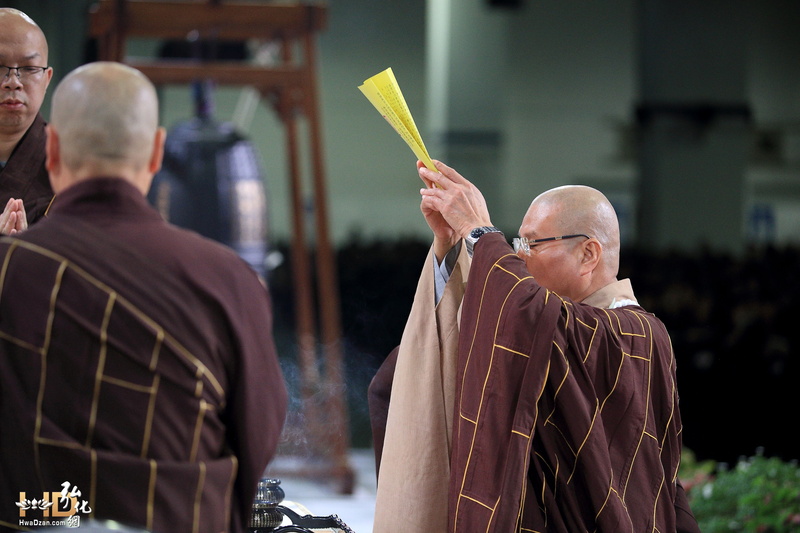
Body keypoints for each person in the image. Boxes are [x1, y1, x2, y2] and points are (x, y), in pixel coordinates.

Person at [0, 62, 287, 533]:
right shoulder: (227, 279)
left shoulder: (10, 270)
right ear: (157, 153)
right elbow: (257, 436)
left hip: (34, 519)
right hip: (176, 518)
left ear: (51, 151)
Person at [370, 159, 700, 532]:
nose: (519, 256)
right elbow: (488, 341)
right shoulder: (562, 324)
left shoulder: (635, 332)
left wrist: (479, 233)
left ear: (588, 254)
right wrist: (452, 247)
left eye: (532, 243)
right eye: (517, 243)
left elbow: (535, 317)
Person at [0, 8, 55, 234]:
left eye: (29, 68)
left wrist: (30, 253)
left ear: (46, 78)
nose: (13, 82)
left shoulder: (70, 166)